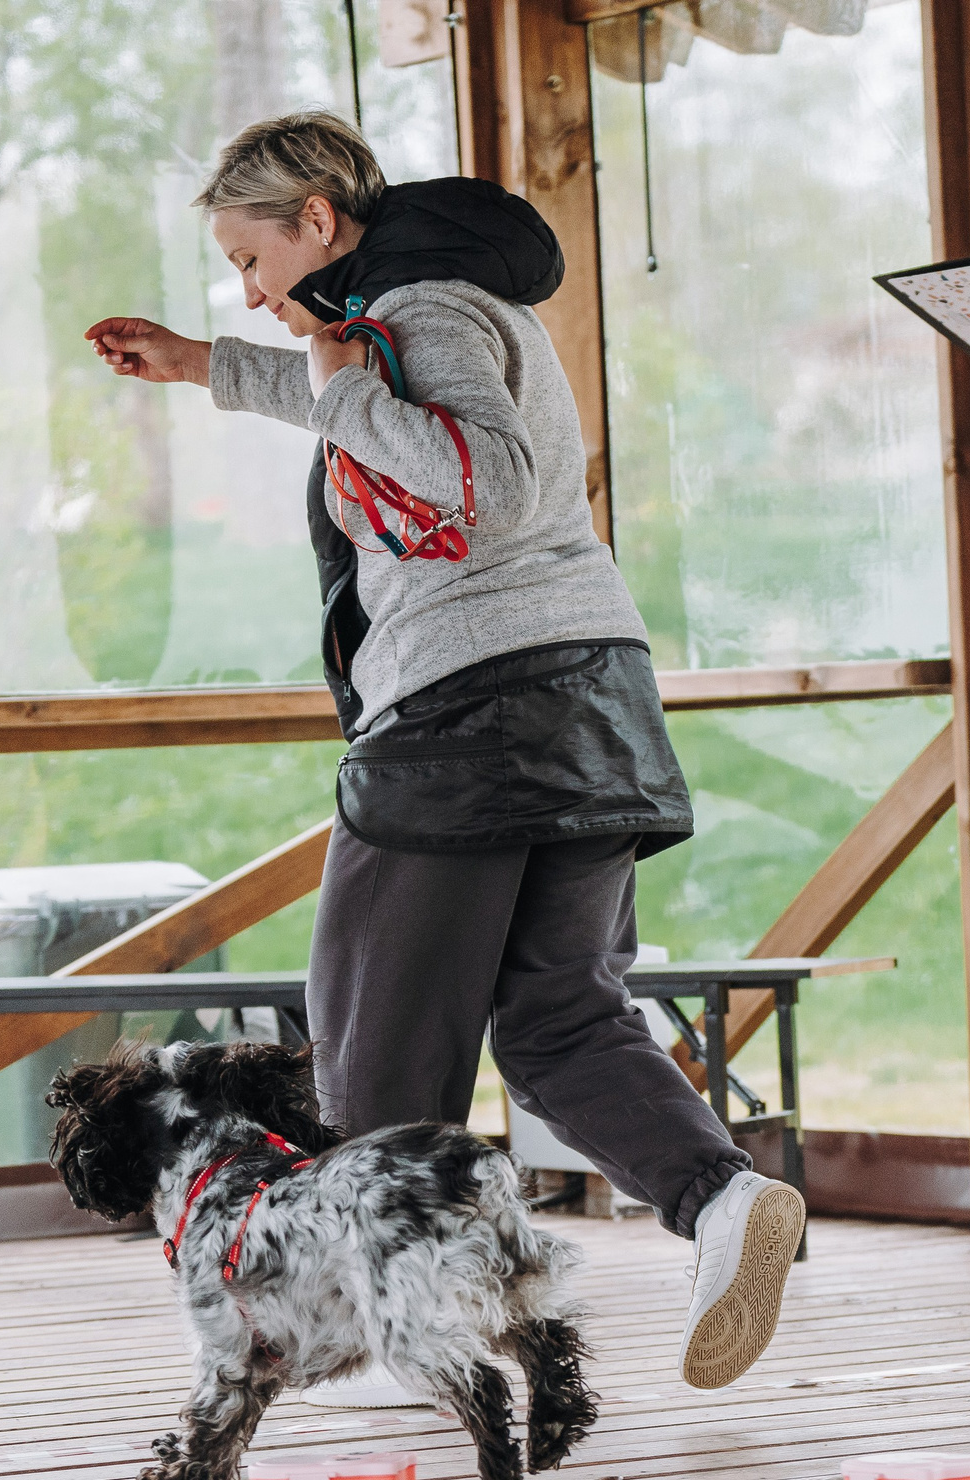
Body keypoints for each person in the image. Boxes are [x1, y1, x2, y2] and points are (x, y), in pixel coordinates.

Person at [87, 112, 806, 1389]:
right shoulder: (433, 306)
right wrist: (211, 363)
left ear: (317, 219)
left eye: (251, 262)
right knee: (560, 1017)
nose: (250, 292)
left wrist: (327, 379)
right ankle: (720, 1200)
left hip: (466, 714)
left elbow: (487, 479)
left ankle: (404, 1330)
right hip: (592, 703)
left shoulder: (415, 312)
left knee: (370, 1057)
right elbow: (372, 403)